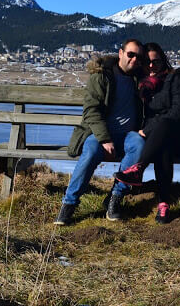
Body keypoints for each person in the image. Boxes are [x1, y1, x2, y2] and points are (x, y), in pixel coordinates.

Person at [54, 39, 145, 225]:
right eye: (130, 54)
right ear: (121, 53)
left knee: (139, 144)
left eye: (138, 56)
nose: (134, 59)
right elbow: (91, 111)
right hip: (99, 134)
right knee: (90, 153)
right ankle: (68, 205)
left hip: (128, 136)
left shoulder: (140, 80)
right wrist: (105, 139)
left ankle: (114, 199)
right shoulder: (102, 76)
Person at [114, 42, 180, 224]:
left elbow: (178, 111)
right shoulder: (141, 86)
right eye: (147, 62)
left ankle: (138, 169)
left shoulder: (176, 80)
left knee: (165, 125)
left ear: (164, 62)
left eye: (156, 62)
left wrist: (147, 130)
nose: (152, 66)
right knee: (164, 146)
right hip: (162, 142)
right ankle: (163, 204)